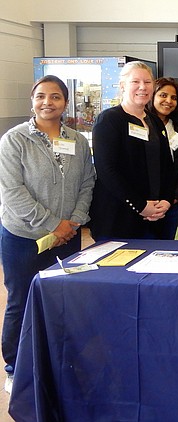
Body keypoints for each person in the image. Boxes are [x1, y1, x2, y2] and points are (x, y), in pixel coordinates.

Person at [0, 75, 95, 393]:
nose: (47, 102)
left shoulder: (78, 141)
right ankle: (15, 367)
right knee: (22, 299)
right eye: (41, 96)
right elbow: (13, 192)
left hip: (68, 236)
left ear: (65, 102)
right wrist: (54, 224)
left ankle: (58, 360)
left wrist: (75, 221)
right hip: (23, 237)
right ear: (32, 100)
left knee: (62, 297)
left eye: (55, 97)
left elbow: (87, 182)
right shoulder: (14, 140)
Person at [89, 61, 175, 240]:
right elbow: (107, 171)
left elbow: (167, 165)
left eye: (148, 82)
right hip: (119, 217)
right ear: (122, 86)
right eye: (135, 82)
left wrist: (166, 200)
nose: (142, 87)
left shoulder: (155, 121)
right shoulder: (109, 120)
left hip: (156, 216)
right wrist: (141, 206)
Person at [146, 77, 178, 239]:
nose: (168, 101)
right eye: (163, 95)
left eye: (173, 98)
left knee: (166, 248)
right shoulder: (140, 124)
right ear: (152, 96)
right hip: (145, 205)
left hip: (171, 204)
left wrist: (174, 198)